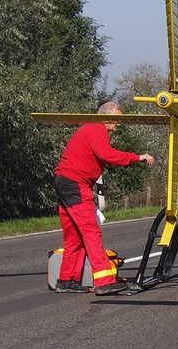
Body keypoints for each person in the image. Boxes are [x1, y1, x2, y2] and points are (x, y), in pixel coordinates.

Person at [53, 101, 154, 295]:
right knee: (91, 232)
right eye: (117, 118)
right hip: (75, 183)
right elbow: (108, 155)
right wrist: (137, 157)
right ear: (106, 115)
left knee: (74, 235)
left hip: (64, 181)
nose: (119, 123)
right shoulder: (97, 128)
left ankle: (66, 280)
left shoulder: (89, 128)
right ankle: (104, 281)